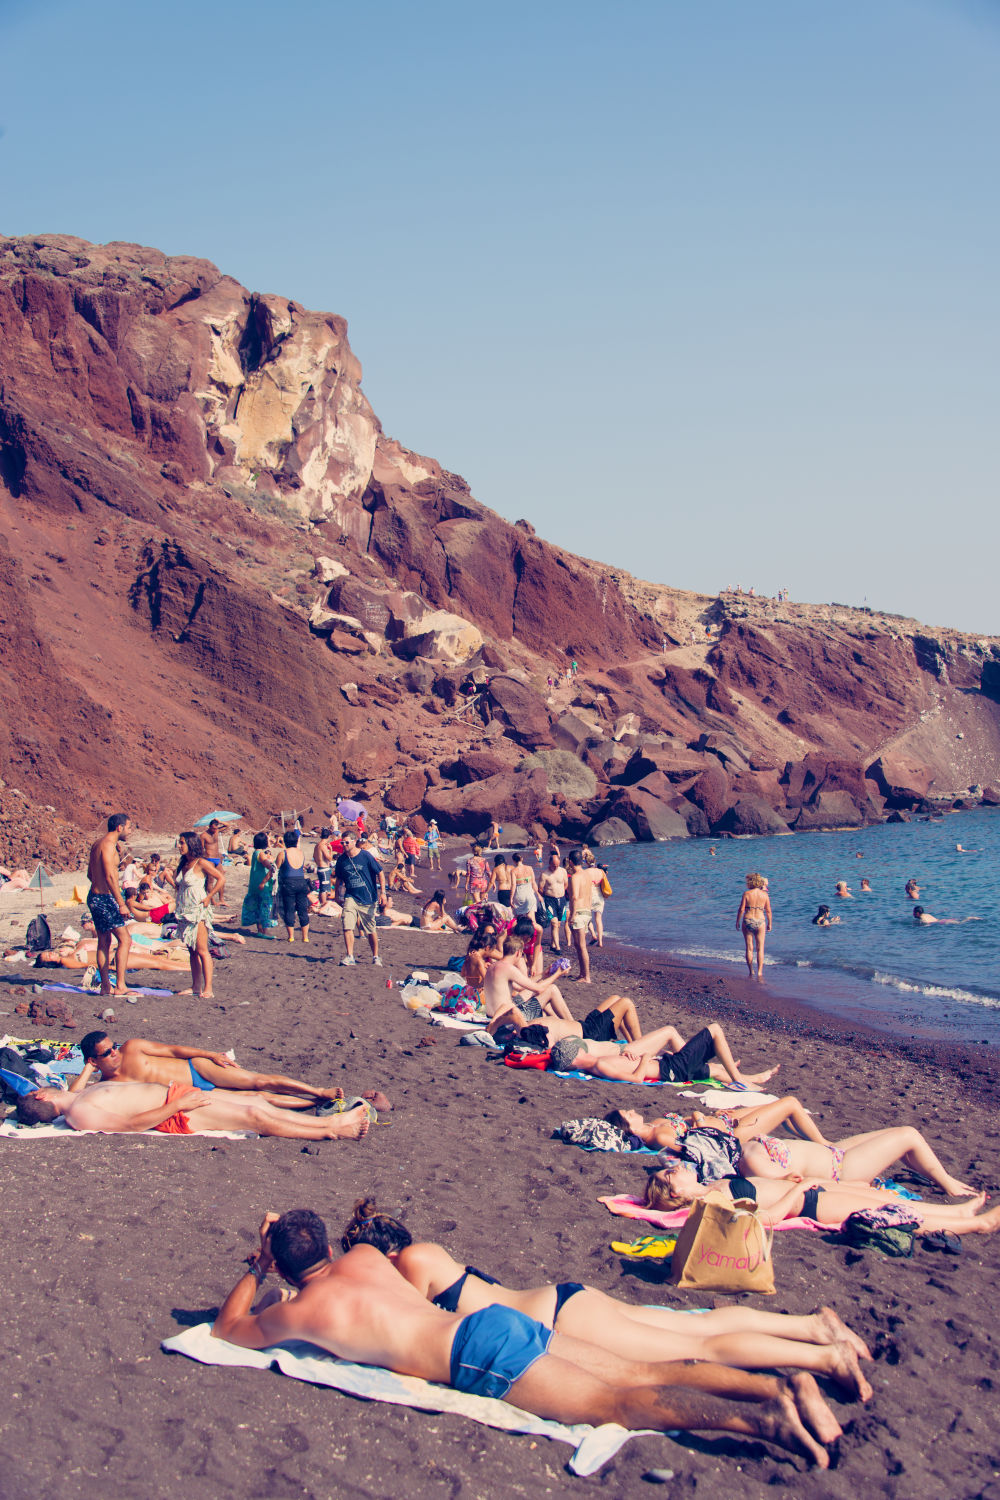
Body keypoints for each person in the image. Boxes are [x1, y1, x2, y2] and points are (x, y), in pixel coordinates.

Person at [208, 1209, 837, 1468]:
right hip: (490, 1322)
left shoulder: (302, 1312)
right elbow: (364, 1234)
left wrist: (259, 1265)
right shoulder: (370, 1259)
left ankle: (768, 1423)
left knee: (618, 1405)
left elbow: (228, 1330)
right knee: (640, 1372)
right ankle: (774, 1387)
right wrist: (284, 1240)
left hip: (477, 1357)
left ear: (286, 1267)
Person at [341, 1199, 872, 1398]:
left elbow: (403, 1325)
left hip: (565, 1320)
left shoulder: (410, 1265)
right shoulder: (425, 1254)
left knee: (698, 1348)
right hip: (565, 1303)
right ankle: (811, 1326)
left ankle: (820, 1356)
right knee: (692, 1329)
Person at [645, 1162, 1000, 1240]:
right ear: (676, 1194)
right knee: (890, 1211)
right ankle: (977, 1224)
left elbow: (756, 1188)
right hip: (811, 1205)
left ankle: (957, 1211)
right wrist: (798, 1191)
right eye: (668, 1175)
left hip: (808, 1191)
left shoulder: (712, 1186)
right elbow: (764, 1219)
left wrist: (787, 1180)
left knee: (877, 1195)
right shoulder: (713, 1203)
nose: (672, 1167)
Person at [70, 1030, 364, 1109]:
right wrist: (87, 1069)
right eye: (106, 1054)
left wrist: (211, 1054)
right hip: (190, 1095)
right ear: (94, 1061)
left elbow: (174, 1050)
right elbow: (73, 1096)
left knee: (258, 1082)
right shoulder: (107, 1085)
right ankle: (314, 1103)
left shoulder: (131, 1048)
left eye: (113, 1047)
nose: (114, 1053)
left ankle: (317, 1090)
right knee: (262, 1100)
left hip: (198, 1070)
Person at [16, 1083, 373, 1140]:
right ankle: (332, 1130)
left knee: (258, 1103)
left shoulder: (78, 1094)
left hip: (176, 1096)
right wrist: (177, 1105)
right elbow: (127, 1124)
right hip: (175, 1111)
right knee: (253, 1117)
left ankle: (329, 1120)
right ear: (41, 1096)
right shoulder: (79, 1114)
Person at [544, 1020, 779, 1088]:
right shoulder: (599, 1066)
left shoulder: (598, 1063)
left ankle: (753, 1079)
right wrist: (646, 1058)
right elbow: (637, 1079)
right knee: (716, 1029)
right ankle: (739, 1079)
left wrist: (632, 1060)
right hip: (671, 1070)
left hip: (670, 1067)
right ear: (574, 1056)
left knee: (715, 1071)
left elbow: (632, 1071)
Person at [160, 832, 223, 1000]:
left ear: (191, 844)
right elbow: (181, 887)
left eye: (182, 843)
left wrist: (210, 897)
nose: (179, 846)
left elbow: (221, 878)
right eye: (179, 843)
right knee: (192, 950)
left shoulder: (201, 863)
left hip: (197, 911)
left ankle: (208, 987)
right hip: (184, 911)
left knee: (202, 950)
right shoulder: (184, 863)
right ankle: (196, 986)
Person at [86, 813, 134, 999]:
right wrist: (121, 903)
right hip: (105, 898)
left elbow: (90, 875)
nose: (130, 831)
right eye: (129, 827)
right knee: (125, 940)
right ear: (119, 827)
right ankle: (120, 985)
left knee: (104, 941)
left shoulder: (97, 844)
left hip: (95, 896)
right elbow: (110, 876)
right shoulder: (107, 845)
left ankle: (106, 987)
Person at [481, 934, 574, 1028]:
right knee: (552, 989)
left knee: (537, 989)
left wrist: (544, 975)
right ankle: (574, 1026)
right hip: (506, 1020)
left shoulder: (493, 966)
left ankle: (568, 1023)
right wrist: (558, 974)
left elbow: (521, 987)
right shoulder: (509, 969)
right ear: (517, 953)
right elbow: (539, 989)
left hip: (492, 1015)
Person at [335, 832, 387, 966]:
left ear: (354, 841)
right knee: (347, 925)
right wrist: (337, 894)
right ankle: (350, 956)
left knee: (371, 930)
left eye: (347, 842)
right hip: (350, 896)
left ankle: (375, 956)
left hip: (368, 898)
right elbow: (339, 879)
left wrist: (383, 893)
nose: (344, 845)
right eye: (343, 843)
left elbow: (380, 872)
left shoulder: (365, 856)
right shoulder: (341, 860)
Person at [566, 849, 598, 983]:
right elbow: (590, 895)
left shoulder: (575, 877)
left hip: (578, 912)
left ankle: (586, 977)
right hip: (587, 911)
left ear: (571, 862)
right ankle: (582, 974)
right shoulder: (587, 875)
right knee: (578, 945)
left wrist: (572, 915)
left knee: (581, 945)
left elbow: (574, 897)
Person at [274, 830, 311, 944]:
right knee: (302, 910)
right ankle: (305, 937)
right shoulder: (301, 853)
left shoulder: (283, 853)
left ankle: (291, 937)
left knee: (289, 909)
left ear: (285, 842)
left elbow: (276, 867)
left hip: (288, 883)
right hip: (301, 882)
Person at [736, 872, 772, 980]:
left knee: (749, 947)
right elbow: (768, 911)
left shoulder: (747, 894)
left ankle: (751, 970)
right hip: (760, 920)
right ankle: (760, 972)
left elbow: (741, 909)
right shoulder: (764, 895)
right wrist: (770, 923)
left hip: (748, 919)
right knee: (760, 948)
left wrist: (737, 921)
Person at [241, 833, 277, 936]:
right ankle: (264, 931)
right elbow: (271, 868)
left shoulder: (255, 852)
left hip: (254, 884)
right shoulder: (261, 854)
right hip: (262, 885)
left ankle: (260, 930)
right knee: (265, 907)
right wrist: (264, 882)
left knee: (257, 906)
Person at [539, 853, 570, 952]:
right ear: (549, 863)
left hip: (561, 900)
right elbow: (540, 888)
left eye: (557, 865)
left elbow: (566, 884)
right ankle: (557, 947)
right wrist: (546, 896)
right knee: (554, 923)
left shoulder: (563, 871)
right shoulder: (545, 874)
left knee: (558, 924)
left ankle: (552, 944)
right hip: (550, 900)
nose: (555, 867)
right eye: (553, 865)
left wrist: (561, 893)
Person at [313, 829, 335, 902]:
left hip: (319, 868)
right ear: (329, 836)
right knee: (325, 889)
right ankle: (324, 904)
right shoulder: (323, 846)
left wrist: (319, 862)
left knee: (322, 887)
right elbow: (329, 858)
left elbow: (314, 856)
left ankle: (322, 903)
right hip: (324, 869)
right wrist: (331, 850)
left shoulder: (317, 845)